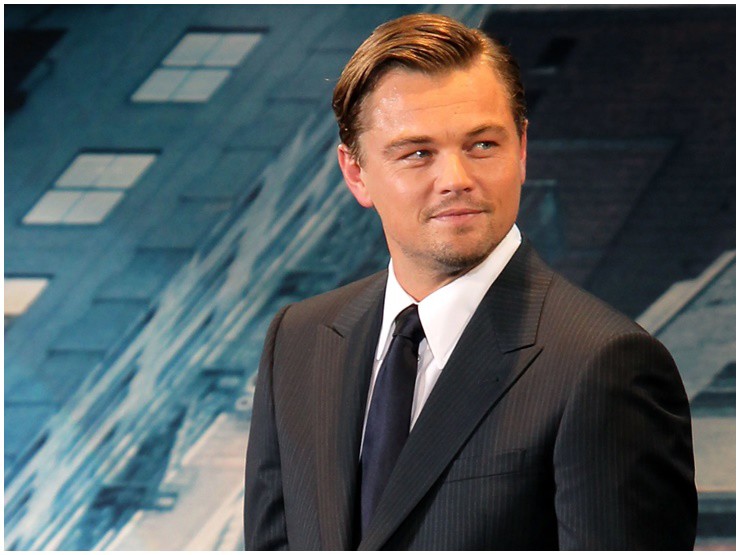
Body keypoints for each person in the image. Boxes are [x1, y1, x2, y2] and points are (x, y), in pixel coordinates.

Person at [243, 13, 696, 550]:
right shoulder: (298, 340)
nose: (456, 180)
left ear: (521, 150)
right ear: (356, 173)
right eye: (417, 153)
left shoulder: (605, 364)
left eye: (482, 145)